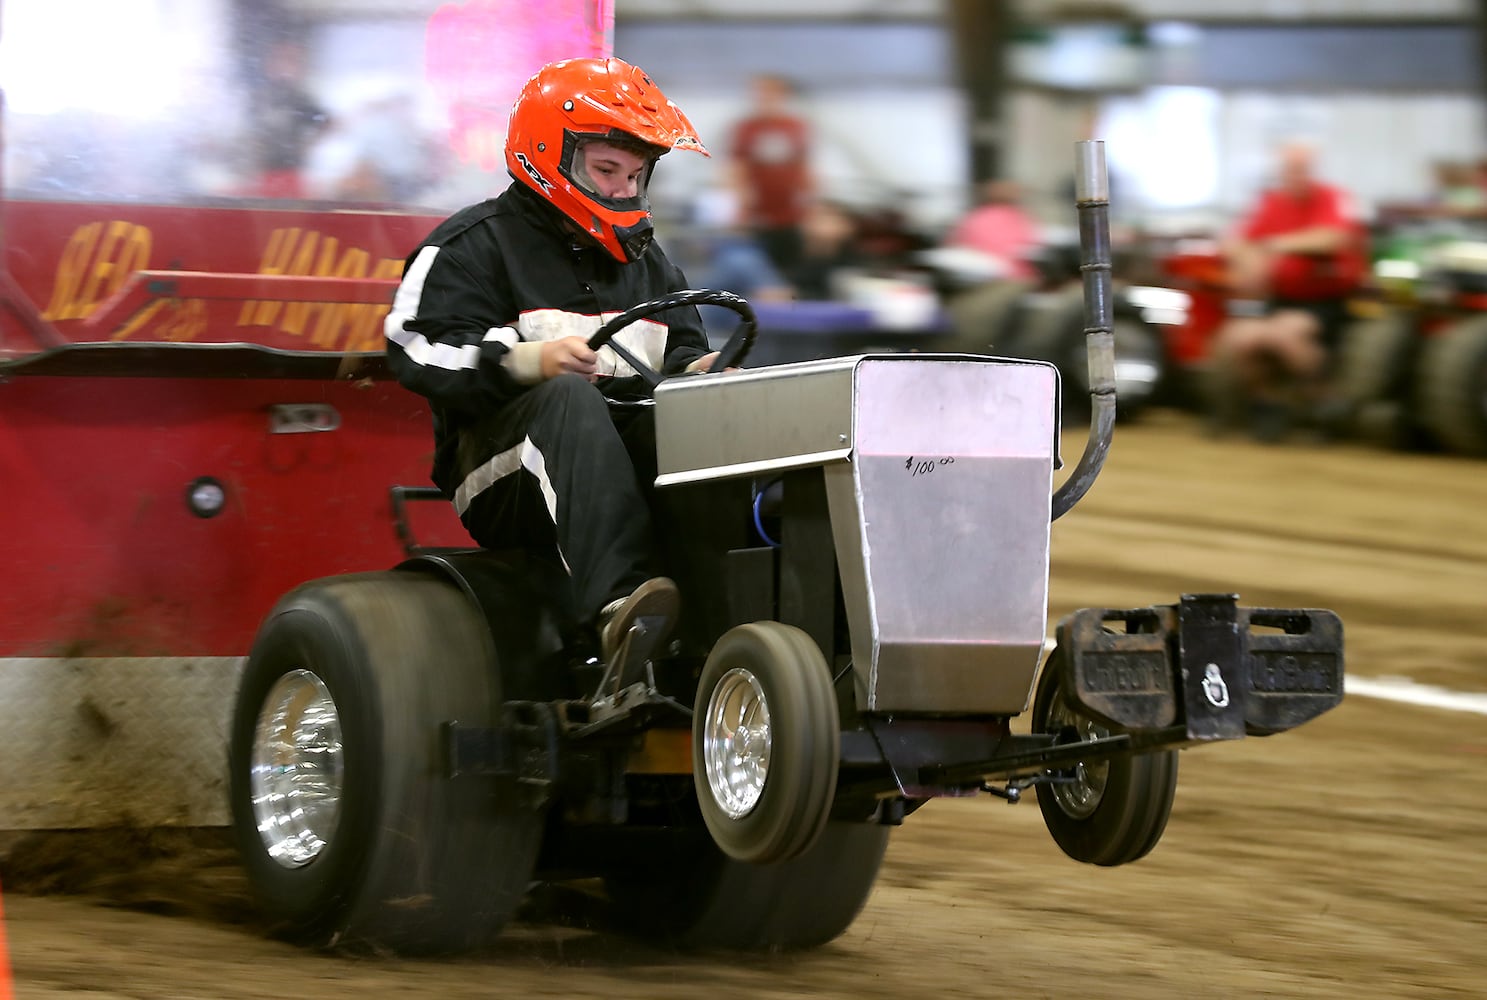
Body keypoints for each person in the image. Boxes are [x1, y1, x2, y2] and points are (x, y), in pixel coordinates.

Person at [384, 57, 723, 672]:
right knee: (569, 399)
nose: (623, 190)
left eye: (635, 175)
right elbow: (414, 348)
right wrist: (527, 361)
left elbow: (680, 352)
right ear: (549, 156)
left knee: (711, 420)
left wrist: (700, 375)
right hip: (500, 467)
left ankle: (732, 627)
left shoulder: (649, 265)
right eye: (606, 171)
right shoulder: (471, 246)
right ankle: (623, 614)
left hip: (616, 451)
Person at [1211, 140, 1367, 441]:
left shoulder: (1333, 198)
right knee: (1239, 338)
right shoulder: (1272, 202)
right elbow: (1237, 241)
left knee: (1286, 333)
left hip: (1327, 302)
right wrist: (1249, 260)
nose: (1296, 175)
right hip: (1280, 300)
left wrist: (1277, 245)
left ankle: (1320, 401)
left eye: (1302, 169)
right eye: (1290, 169)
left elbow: (1335, 237)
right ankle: (1268, 404)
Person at [728, 74, 814, 276]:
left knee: (789, 262)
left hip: (789, 210)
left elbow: (804, 165)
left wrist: (810, 203)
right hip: (758, 211)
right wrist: (740, 200)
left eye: (771, 93)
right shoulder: (747, 128)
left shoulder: (795, 126)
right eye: (761, 93)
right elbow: (737, 165)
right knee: (758, 262)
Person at [945, 178, 1040, 283]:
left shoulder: (973, 216)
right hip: (1009, 273)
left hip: (976, 271)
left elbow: (953, 242)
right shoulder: (1014, 217)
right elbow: (1029, 245)